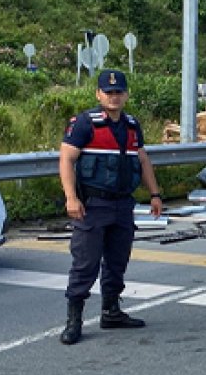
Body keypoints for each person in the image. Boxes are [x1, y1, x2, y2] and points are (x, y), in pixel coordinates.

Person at [58, 69, 163, 345]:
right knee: (85, 264)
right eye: (109, 92)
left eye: (118, 92)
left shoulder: (131, 125)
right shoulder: (85, 123)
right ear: (98, 94)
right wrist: (71, 197)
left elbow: (142, 160)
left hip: (122, 206)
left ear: (126, 95)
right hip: (93, 205)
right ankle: (74, 320)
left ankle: (111, 311)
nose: (114, 97)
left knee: (117, 262)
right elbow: (66, 159)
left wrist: (155, 194)